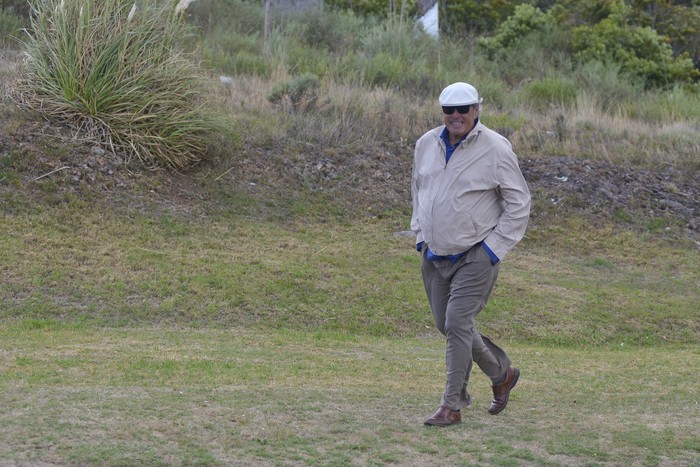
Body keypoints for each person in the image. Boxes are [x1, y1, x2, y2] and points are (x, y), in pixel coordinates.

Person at [411, 82, 531, 427]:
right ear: (442, 112)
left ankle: (452, 405)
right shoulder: (425, 144)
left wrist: (493, 249)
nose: (456, 116)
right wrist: (420, 234)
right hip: (434, 255)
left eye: (464, 108)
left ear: (477, 109)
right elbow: (418, 191)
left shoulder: (496, 148)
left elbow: (519, 203)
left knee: (458, 324)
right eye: (449, 110)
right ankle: (501, 373)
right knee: (448, 325)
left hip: (476, 255)